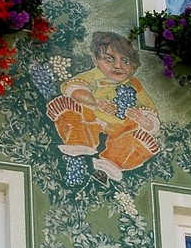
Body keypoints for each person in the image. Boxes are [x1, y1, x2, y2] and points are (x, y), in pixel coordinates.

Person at [46, 32, 161, 185]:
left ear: (134, 67)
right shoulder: (94, 76)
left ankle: (110, 165)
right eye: (109, 58)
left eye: (125, 61)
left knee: (133, 138)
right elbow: (76, 90)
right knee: (71, 108)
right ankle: (79, 142)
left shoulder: (134, 86)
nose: (118, 65)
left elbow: (149, 111)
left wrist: (144, 121)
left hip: (119, 127)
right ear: (96, 60)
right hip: (92, 117)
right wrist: (96, 102)